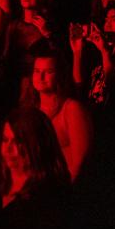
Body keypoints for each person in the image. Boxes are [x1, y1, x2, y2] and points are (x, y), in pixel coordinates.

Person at [26, 54, 92, 182]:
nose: (41, 77)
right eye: (37, 71)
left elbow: (81, 162)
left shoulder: (71, 109)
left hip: (64, 187)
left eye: (48, 71)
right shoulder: (31, 109)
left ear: (60, 75)